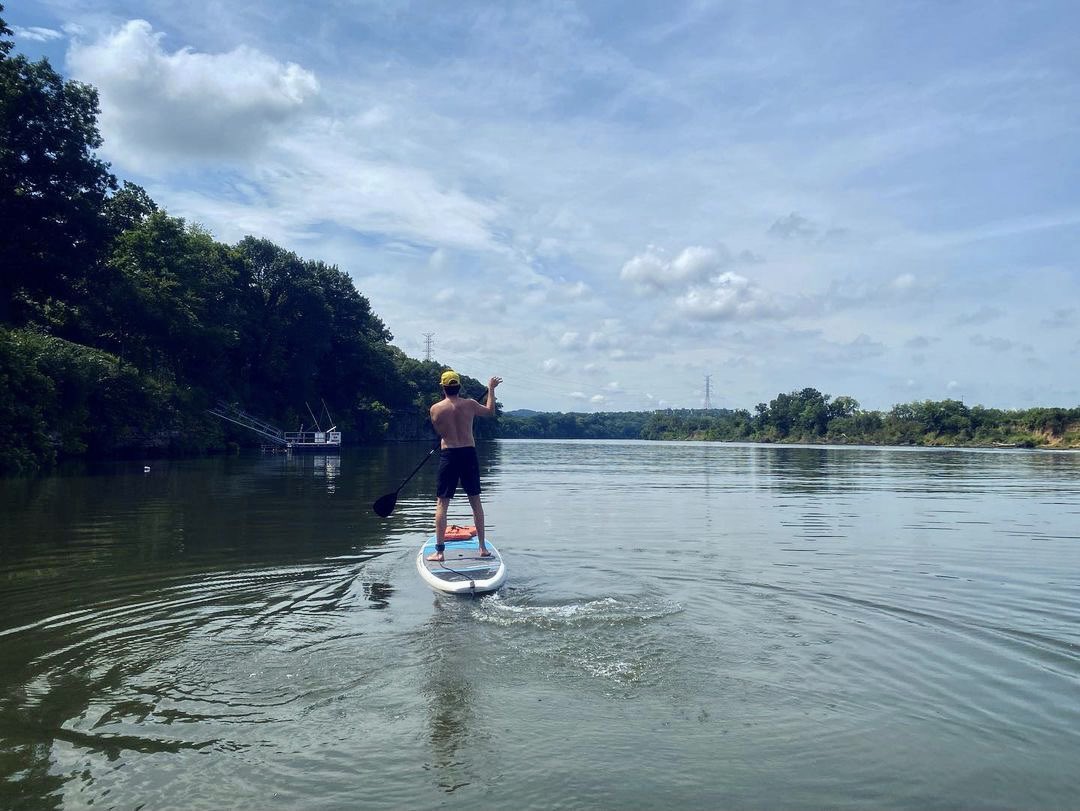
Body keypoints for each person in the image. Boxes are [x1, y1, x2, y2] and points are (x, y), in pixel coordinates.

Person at [426, 370, 502, 562]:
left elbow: (441, 432)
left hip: (449, 454)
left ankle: (440, 552)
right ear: (459, 386)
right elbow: (490, 411)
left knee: (442, 502)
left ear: (443, 387)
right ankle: (482, 548)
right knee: (475, 501)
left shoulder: (435, 409)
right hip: (468, 453)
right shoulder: (470, 404)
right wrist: (491, 389)